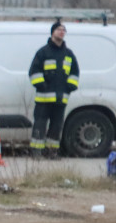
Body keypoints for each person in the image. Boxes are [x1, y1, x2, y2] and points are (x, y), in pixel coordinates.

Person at [28, 21, 79, 159]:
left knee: (56, 126)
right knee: (40, 125)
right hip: (43, 98)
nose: (62, 32)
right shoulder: (43, 52)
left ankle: (51, 152)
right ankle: (36, 152)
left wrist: (71, 86)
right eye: (59, 29)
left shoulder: (68, 54)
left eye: (64, 30)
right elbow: (34, 72)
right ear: (52, 32)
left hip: (61, 98)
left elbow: (75, 72)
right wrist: (42, 85)